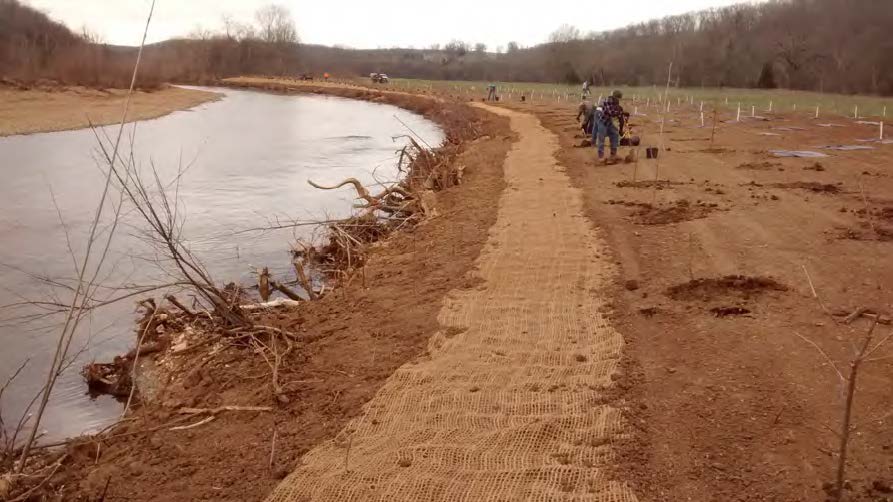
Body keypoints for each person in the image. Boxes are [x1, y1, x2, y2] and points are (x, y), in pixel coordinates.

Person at [592, 90, 625, 162]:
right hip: (602, 121)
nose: (618, 101)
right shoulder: (607, 101)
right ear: (614, 97)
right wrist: (619, 111)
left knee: (615, 134)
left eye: (619, 99)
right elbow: (610, 112)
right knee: (601, 137)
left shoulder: (617, 105)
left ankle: (613, 154)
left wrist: (621, 130)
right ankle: (600, 157)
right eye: (618, 99)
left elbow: (620, 118)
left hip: (609, 122)